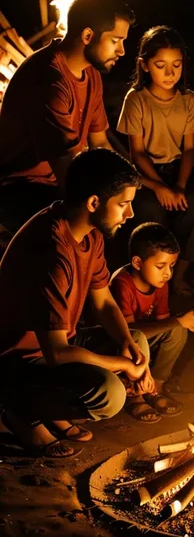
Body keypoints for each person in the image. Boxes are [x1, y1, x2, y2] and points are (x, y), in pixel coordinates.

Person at [0, 148, 151, 459]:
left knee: (136, 340)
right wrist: (123, 365)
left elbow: (104, 301)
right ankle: (21, 411)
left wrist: (127, 346)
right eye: (123, 204)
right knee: (109, 393)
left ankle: (50, 408)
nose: (130, 214)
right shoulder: (51, 251)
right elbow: (56, 353)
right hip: (17, 358)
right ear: (94, 202)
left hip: (54, 346)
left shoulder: (89, 234)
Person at [0, 0, 135, 235]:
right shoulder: (49, 81)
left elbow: (100, 143)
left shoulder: (90, 74)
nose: (122, 51)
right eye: (116, 40)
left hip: (63, 179)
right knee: (93, 222)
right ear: (87, 35)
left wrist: (129, 185)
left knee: (134, 211)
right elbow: (68, 173)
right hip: (21, 189)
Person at [117, 25, 194, 295]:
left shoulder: (188, 99)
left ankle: (179, 275)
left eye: (177, 65)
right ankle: (149, 283)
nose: (170, 73)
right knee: (151, 213)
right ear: (145, 65)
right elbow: (136, 153)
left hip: (179, 170)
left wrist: (180, 186)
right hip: (147, 175)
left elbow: (189, 150)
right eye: (161, 65)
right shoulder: (136, 99)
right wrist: (160, 187)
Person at [110, 222, 194, 423]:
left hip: (142, 342)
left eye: (171, 266)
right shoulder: (122, 284)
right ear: (137, 262)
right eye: (160, 266)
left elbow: (163, 322)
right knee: (161, 330)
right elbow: (127, 333)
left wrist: (185, 322)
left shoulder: (159, 284)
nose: (168, 274)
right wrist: (178, 321)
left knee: (178, 330)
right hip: (115, 346)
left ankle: (155, 387)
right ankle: (134, 395)